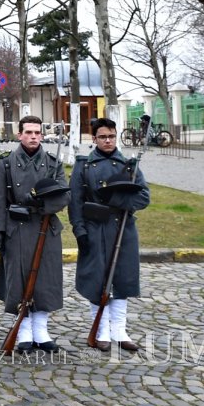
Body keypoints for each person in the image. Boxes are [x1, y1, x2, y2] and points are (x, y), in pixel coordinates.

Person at [69, 116, 151, 353]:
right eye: (103, 137)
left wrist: (115, 197)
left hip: (122, 230)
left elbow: (144, 198)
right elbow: (75, 202)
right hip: (95, 230)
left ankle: (120, 330)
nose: (108, 141)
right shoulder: (83, 165)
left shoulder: (130, 166)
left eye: (112, 137)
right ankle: (101, 330)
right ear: (94, 139)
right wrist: (80, 231)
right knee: (98, 280)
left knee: (122, 280)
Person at [0, 115, 70, 353]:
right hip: (18, 228)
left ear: (42, 135)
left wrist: (40, 206)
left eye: (37, 132)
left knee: (45, 280)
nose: (33, 136)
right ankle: (23, 331)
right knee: (20, 280)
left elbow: (65, 196)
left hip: (46, 227)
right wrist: (0, 231)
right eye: (28, 132)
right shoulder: (5, 164)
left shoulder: (54, 163)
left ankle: (41, 331)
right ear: (19, 135)